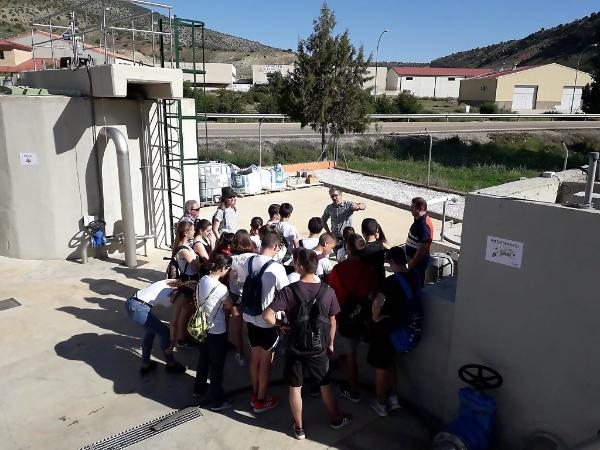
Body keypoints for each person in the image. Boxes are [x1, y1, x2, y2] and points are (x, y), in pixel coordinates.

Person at [263, 248, 352, 439]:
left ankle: (299, 428)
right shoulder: (328, 292)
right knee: (325, 385)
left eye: (295, 262)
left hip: (295, 346)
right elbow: (333, 320)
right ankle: (336, 418)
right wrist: (330, 343)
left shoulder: (289, 291)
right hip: (319, 347)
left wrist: (281, 325)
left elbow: (267, 316)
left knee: (295, 388)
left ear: (300, 267)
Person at [240, 231, 290, 413]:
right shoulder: (276, 268)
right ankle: (261, 400)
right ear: (276, 247)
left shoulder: (249, 261)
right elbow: (285, 294)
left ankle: (255, 393)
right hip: (267, 321)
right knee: (266, 362)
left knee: (255, 358)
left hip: (250, 317)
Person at [369, 246, 421, 417]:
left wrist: (376, 318)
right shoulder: (415, 275)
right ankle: (393, 399)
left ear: (392, 262)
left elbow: (377, 303)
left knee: (381, 368)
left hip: (388, 329)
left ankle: (381, 404)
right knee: (391, 364)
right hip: (405, 329)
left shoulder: (391, 282)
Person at [327, 234, 378, 402]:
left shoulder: (338, 270)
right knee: (352, 352)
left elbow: (331, 292)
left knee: (350, 355)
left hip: (343, 317)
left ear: (347, 248)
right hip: (364, 316)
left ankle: (353, 388)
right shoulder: (369, 270)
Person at [194, 253, 234, 411]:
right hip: (217, 331)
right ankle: (216, 400)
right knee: (217, 367)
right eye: (228, 269)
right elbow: (229, 305)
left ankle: (198, 388)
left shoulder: (202, 279)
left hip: (202, 327)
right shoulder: (222, 288)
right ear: (223, 268)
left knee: (203, 359)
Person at [124, 279, 187, 375]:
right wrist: (172, 343)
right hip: (139, 308)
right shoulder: (177, 296)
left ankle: (146, 365)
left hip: (132, 302)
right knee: (164, 332)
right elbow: (174, 322)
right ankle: (171, 364)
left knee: (150, 332)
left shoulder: (166, 282)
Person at [172, 221, 202, 348]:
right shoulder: (183, 250)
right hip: (189, 282)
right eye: (192, 230)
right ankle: (181, 338)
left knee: (188, 311)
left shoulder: (184, 246)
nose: (194, 231)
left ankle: (184, 336)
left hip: (189, 281)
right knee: (185, 312)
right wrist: (199, 261)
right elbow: (195, 268)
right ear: (186, 232)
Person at [229, 230, 256, 367]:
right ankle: (255, 356)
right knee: (252, 327)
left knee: (237, 328)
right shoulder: (254, 257)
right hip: (251, 295)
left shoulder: (231, 259)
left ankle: (240, 354)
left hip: (235, 295)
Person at [406, 197, 434, 286]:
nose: (410, 209)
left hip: (418, 261)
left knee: (416, 284)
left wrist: (412, 262)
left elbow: (423, 248)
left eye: (413, 207)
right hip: (414, 259)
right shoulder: (419, 218)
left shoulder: (424, 225)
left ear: (420, 209)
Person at [360, 218, 388, 285]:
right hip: (380, 279)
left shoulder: (362, 249)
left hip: (368, 282)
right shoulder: (381, 244)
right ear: (376, 231)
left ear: (363, 232)